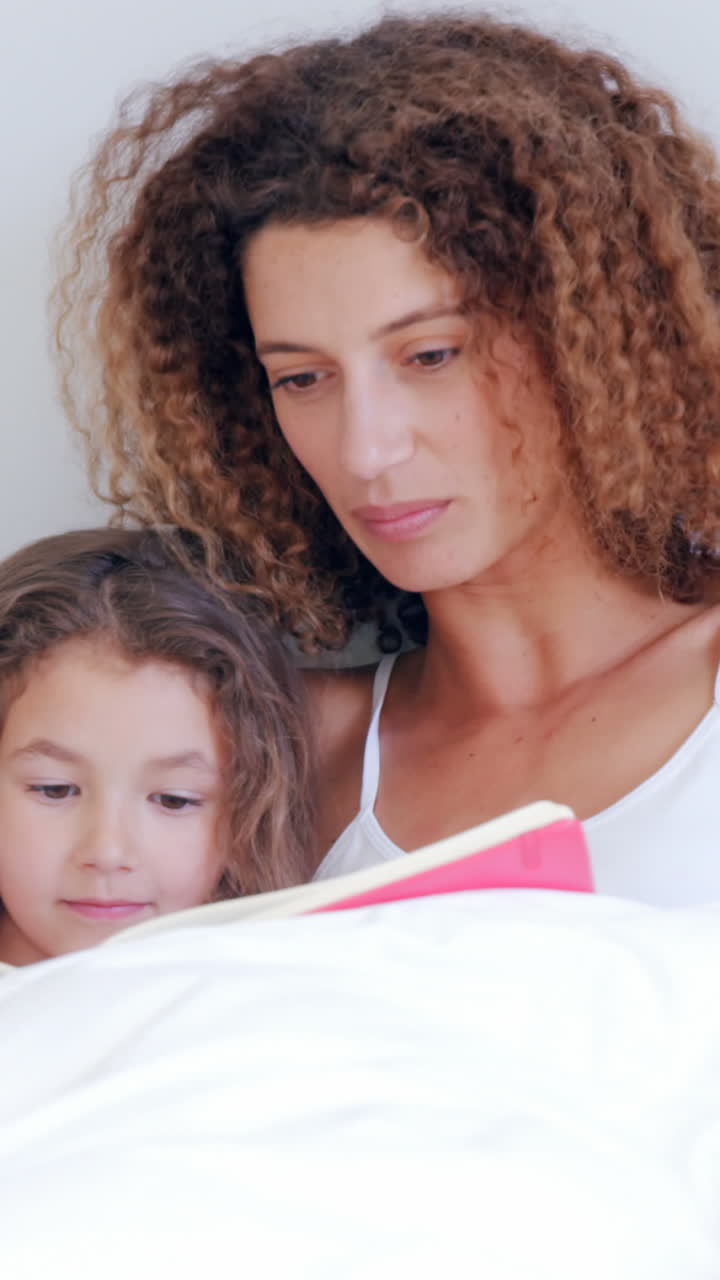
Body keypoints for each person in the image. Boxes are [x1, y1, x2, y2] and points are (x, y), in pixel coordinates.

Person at [53, 13, 720, 906]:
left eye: (431, 356)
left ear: (586, 340)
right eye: (302, 378)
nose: (366, 450)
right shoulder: (273, 753)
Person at [0, 527, 315, 966]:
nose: (107, 853)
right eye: (54, 789)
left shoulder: (256, 1001)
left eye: (174, 799)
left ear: (249, 820)